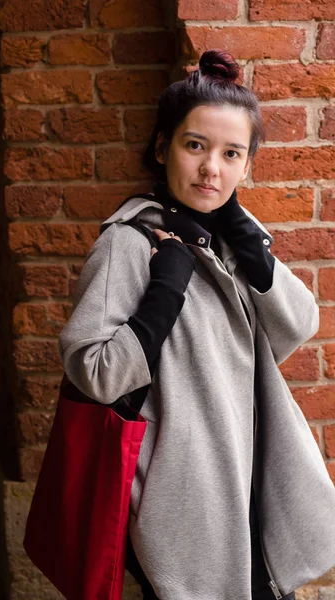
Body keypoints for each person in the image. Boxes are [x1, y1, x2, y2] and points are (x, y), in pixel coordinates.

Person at [58, 49, 335, 600]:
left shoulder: (233, 237)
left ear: (247, 163)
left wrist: (251, 248)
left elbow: (297, 326)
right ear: (163, 148)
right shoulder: (130, 244)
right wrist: (166, 287)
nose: (213, 168)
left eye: (232, 153)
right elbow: (95, 373)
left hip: (249, 471)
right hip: (184, 489)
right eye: (196, 146)